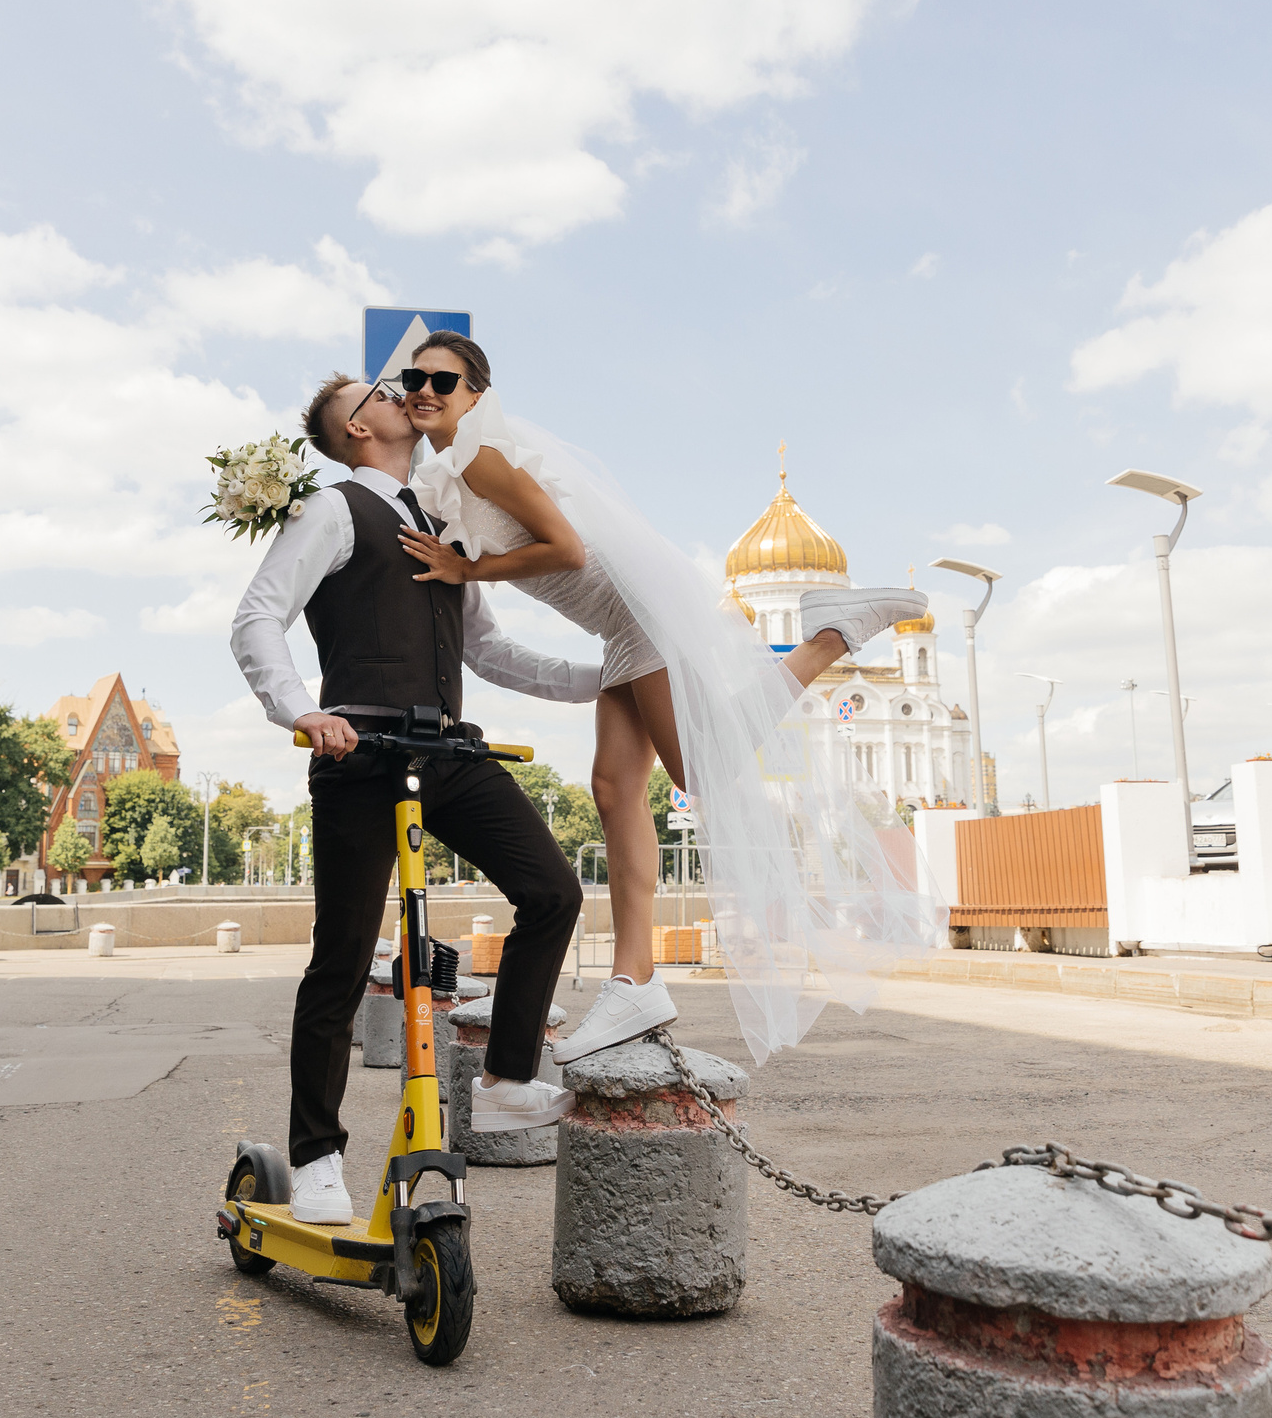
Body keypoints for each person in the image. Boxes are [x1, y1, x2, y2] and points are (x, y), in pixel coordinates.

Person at [397, 332, 935, 1065]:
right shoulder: (457, 467)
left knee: (698, 772)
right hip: (617, 619)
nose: (425, 389)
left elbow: (568, 548)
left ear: (476, 395)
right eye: (414, 378)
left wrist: (468, 571)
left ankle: (829, 639)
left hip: (631, 607)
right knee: (615, 789)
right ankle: (634, 978)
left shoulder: (483, 454)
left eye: (443, 380)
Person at [229, 371, 602, 1226]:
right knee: (343, 955)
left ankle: (508, 1077)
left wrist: (601, 679)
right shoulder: (330, 511)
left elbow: (490, 651)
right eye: (382, 391)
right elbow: (257, 618)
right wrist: (303, 711)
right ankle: (318, 1156)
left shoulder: (442, 519)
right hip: (359, 749)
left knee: (552, 889)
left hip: (445, 749)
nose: (402, 392)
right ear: (358, 429)